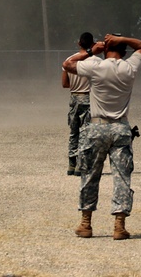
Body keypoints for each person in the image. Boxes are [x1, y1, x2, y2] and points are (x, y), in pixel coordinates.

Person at [62, 32, 141, 240]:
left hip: (97, 127)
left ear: (106, 49)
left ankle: (86, 223)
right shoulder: (130, 68)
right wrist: (124, 39)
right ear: (124, 50)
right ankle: (119, 225)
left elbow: (67, 64)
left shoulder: (96, 66)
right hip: (120, 127)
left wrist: (92, 50)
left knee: (90, 175)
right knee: (122, 178)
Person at [61, 32, 94, 176]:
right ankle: (82, 164)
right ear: (92, 45)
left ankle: (71, 164)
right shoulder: (94, 61)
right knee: (86, 133)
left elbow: (64, 84)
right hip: (88, 98)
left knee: (73, 132)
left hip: (74, 98)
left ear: (79, 43)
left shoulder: (69, 60)